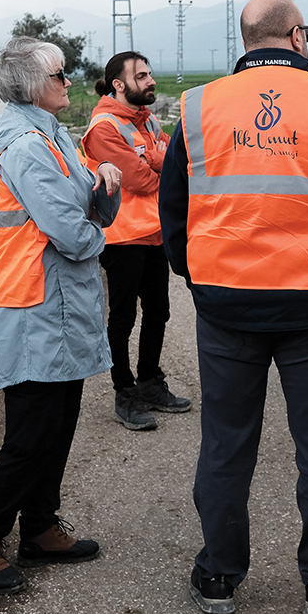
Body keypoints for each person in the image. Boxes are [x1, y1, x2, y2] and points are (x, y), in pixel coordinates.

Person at [160, 0, 308, 614]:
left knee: (225, 445)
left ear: (245, 40)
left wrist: (198, 277)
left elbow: (174, 211)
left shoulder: (198, 106)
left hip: (226, 306)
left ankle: (218, 575)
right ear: (297, 36)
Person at [0, 38, 122, 594]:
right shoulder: (28, 146)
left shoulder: (53, 138)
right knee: (30, 434)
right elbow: (70, 231)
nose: (69, 82)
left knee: (58, 425)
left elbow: (85, 205)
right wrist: (102, 230)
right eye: (60, 74)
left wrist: (104, 189)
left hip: (58, 303)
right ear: (33, 86)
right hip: (31, 303)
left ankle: (40, 525)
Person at [83, 50, 189, 431]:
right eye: (141, 76)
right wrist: (160, 162)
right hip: (124, 237)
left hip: (154, 232)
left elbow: (175, 161)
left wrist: (159, 161)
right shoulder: (104, 127)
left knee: (159, 310)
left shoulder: (147, 120)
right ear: (119, 84)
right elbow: (141, 180)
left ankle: (149, 382)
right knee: (124, 317)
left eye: (149, 74)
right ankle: (123, 392)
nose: (150, 81)